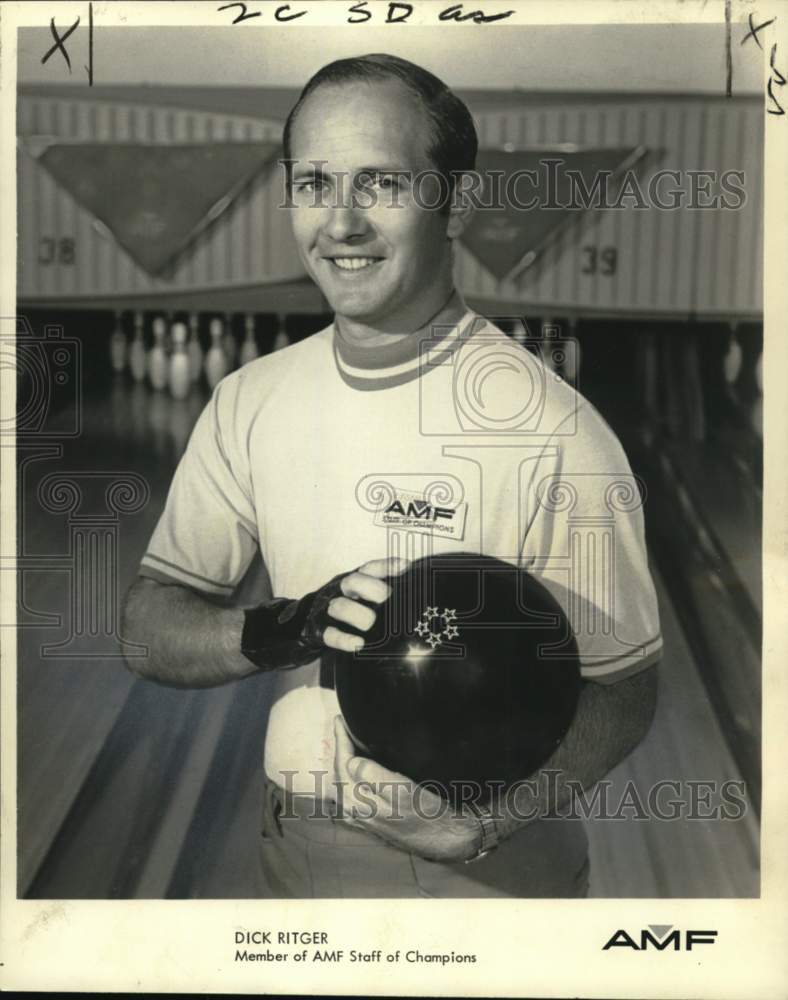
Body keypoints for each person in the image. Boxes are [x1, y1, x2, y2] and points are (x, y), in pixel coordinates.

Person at [122, 53, 662, 898]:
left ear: (456, 204)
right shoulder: (247, 400)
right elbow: (148, 627)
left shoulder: (557, 433)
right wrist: (289, 626)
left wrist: (483, 827)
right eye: (314, 182)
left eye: (379, 182)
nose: (340, 222)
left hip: (492, 870)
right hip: (294, 844)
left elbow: (627, 690)